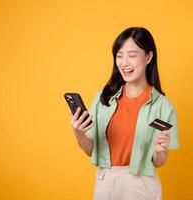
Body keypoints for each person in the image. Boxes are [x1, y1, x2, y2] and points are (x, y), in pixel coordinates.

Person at [69, 27, 179, 200]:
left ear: (148, 57)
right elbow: (90, 150)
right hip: (105, 182)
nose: (124, 63)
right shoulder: (102, 98)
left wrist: (160, 151)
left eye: (132, 55)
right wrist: (79, 133)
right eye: (119, 56)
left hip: (142, 185)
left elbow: (159, 161)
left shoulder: (163, 106)